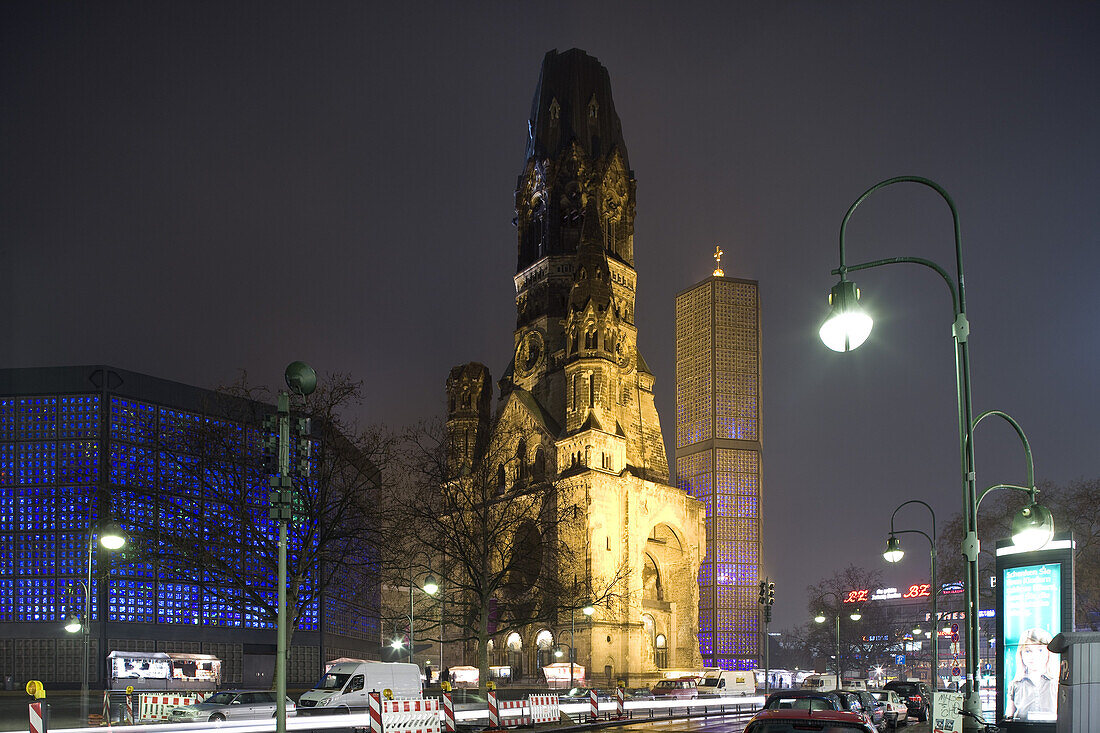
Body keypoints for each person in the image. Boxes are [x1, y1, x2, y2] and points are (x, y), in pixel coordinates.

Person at [1005, 627, 1058, 720]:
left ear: (1049, 653)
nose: (1034, 656)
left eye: (1040, 650)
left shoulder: (1058, 683)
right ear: (1021, 654)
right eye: (1028, 651)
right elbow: (1008, 717)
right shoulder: (1015, 684)